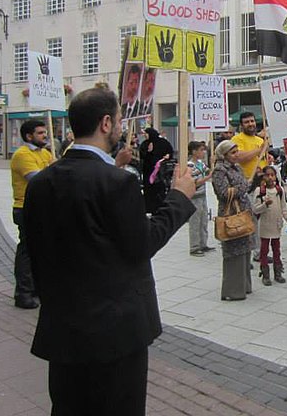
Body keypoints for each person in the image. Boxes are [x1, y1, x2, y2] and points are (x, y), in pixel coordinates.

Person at [22, 87, 196, 416]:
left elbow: (37, 248)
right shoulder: (118, 183)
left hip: (64, 331)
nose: (122, 127)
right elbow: (142, 245)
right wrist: (179, 198)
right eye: (119, 120)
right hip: (115, 335)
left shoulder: (41, 183)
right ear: (105, 123)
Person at [9, 119, 54, 309]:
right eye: (41, 133)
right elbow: (37, 179)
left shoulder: (45, 153)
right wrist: (55, 170)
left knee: (41, 250)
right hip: (25, 207)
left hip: (42, 207)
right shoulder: (22, 154)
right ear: (29, 136)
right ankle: (23, 293)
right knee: (27, 251)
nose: (45, 136)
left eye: (45, 132)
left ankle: (35, 287)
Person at [211, 140, 254, 301]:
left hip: (242, 212)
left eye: (237, 151)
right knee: (233, 251)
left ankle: (245, 286)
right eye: (233, 152)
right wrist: (244, 186)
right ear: (224, 155)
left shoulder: (237, 167)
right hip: (231, 214)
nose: (237, 155)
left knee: (245, 250)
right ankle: (233, 290)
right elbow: (223, 192)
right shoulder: (219, 170)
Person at [252, 165, 287, 285]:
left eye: (272, 175)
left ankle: (278, 272)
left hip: (276, 224)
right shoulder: (259, 191)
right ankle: (265, 273)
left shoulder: (279, 190)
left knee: (277, 249)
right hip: (264, 225)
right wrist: (265, 205)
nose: (270, 177)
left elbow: (283, 209)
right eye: (268, 175)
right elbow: (255, 210)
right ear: (263, 177)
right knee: (264, 250)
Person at [187, 141, 214, 257]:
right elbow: (195, 182)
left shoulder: (200, 163)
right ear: (194, 151)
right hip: (194, 196)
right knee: (195, 222)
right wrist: (208, 177)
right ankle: (194, 246)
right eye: (201, 150)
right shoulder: (189, 165)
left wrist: (212, 163)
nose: (203, 152)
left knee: (203, 221)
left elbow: (208, 171)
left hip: (202, 195)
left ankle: (203, 243)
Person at [139, 128, 173, 215]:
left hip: (161, 171)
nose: (145, 135)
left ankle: (160, 207)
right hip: (148, 171)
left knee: (160, 189)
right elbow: (142, 156)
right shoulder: (145, 144)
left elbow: (170, 151)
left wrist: (168, 155)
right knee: (149, 191)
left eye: (146, 134)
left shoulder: (163, 142)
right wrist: (148, 152)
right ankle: (150, 208)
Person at [231, 111, 268, 181]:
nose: (250, 124)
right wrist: (260, 150)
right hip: (246, 180)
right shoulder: (236, 139)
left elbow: (262, 158)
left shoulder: (261, 140)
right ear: (241, 125)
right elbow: (239, 157)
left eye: (252, 121)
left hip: (262, 179)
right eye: (246, 122)